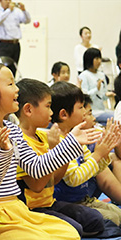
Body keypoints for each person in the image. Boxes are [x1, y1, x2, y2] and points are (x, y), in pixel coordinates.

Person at [0, 62, 100, 240]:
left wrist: (70, 143)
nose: (17, 90)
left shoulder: (12, 129)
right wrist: (3, 152)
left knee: (69, 233)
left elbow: (37, 168)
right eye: (10, 84)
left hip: (14, 209)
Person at [15, 79, 104, 237]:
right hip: (31, 208)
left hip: (50, 203)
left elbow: (54, 179)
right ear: (28, 110)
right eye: (48, 106)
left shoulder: (44, 135)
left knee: (95, 220)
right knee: (74, 230)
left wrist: (65, 150)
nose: (51, 112)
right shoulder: (20, 140)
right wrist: (55, 150)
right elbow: (38, 186)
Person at [50, 81, 121, 226]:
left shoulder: (75, 136)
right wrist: (97, 155)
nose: (84, 112)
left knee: (118, 213)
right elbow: (74, 179)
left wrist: (104, 152)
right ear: (64, 114)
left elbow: (95, 171)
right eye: (81, 107)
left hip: (84, 200)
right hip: (66, 203)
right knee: (111, 219)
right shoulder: (58, 141)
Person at [0, 0, 31, 76]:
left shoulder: (16, 12)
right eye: (6, 0)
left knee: (13, 69)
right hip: (4, 45)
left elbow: (27, 20)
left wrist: (23, 10)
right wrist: (9, 10)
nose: (8, 2)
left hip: (15, 44)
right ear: (0, 1)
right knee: (1, 69)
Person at [79, 47, 115, 125]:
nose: (99, 61)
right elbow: (85, 96)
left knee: (118, 115)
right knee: (115, 118)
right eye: (96, 58)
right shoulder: (84, 75)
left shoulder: (101, 75)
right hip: (93, 111)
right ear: (89, 59)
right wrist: (96, 89)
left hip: (102, 109)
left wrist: (107, 95)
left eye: (100, 58)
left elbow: (102, 96)